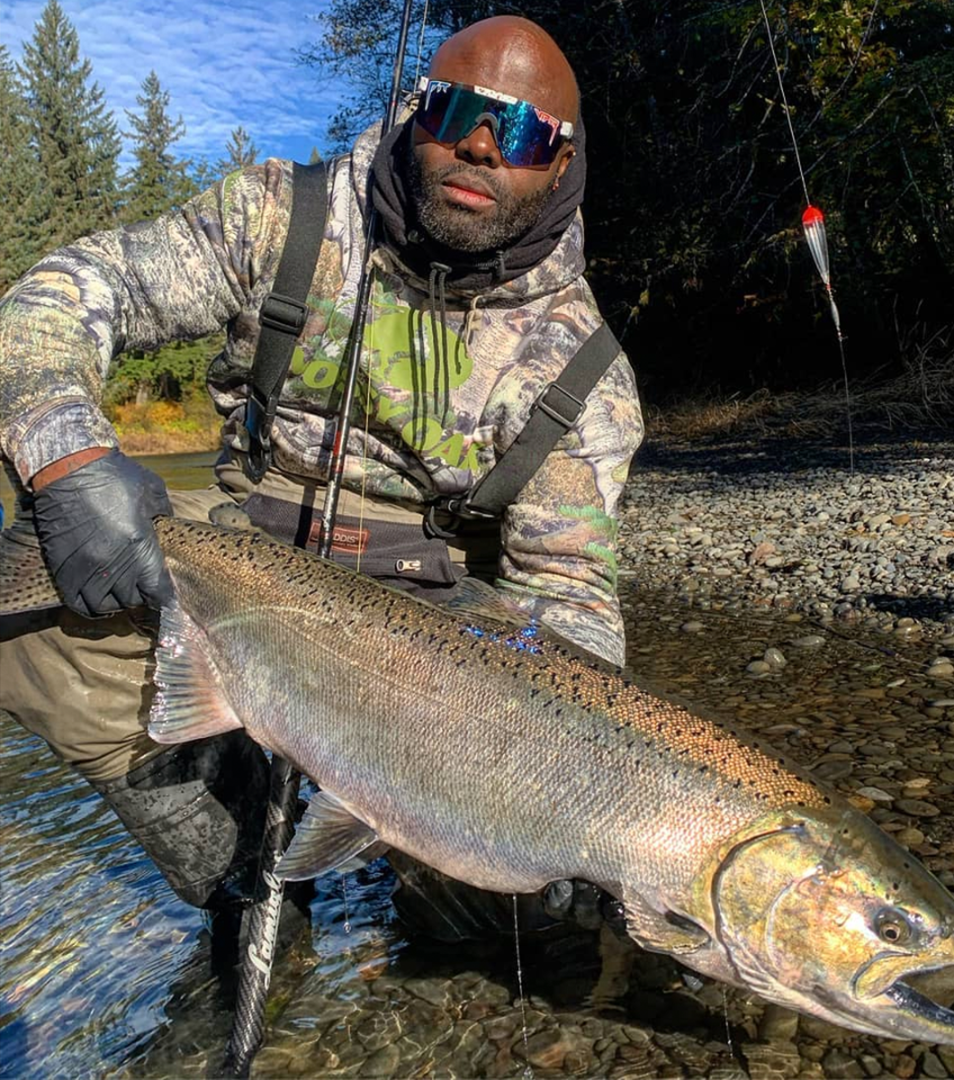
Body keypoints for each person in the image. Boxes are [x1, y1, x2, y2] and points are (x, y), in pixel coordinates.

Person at [0, 16, 643, 930]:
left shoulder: (583, 370)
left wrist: (580, 792)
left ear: (563, 159)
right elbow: (71, 289)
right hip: (233, 557)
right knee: (29, 623)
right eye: (456, 109)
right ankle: (240, 868)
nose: (479, 144)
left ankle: (411, 862)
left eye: (525, 132)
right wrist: (65, 453)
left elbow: (568, 601)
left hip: (434, 626)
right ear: (420, 111)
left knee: (516, 919)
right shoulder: (281, 215)